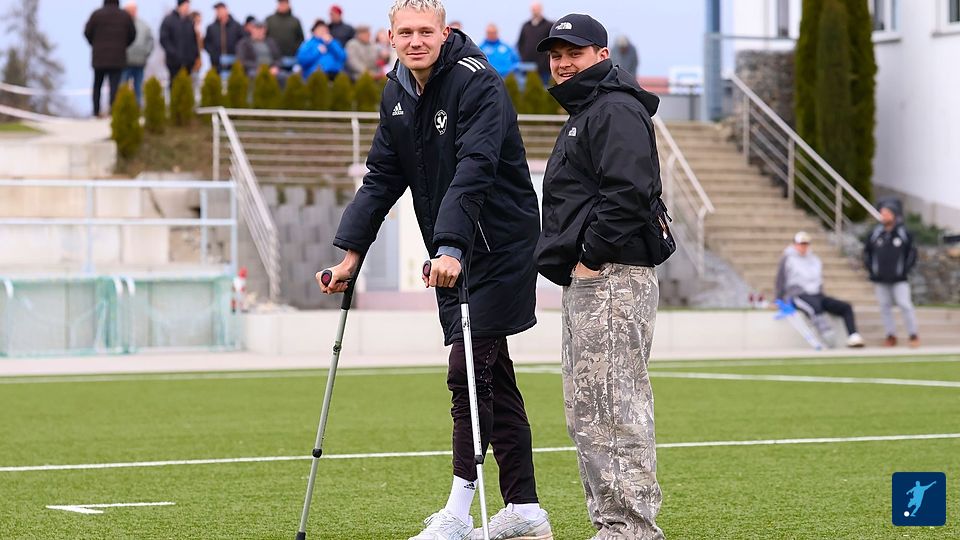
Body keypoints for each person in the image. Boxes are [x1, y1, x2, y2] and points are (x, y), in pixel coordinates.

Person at [318, 2, 552, 539]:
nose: (416, 41)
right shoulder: (396, 91)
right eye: (405, 32)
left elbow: (475, 167)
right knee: (493, 376)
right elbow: (382, 177)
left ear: (446, 33)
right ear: (390, 37)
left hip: (497, 247)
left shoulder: (478, 83)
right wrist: (351, 255)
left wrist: (449, 246)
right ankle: (525, 508)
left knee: (467, 372)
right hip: (451, 252)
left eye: (426, 31)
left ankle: (458, 512)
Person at [535, 13, 669, 540]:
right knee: (589, 409)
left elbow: (629, 192)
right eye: (556, 55)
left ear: (602, 55)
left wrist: (590, 257)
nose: (563, 63)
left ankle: (630, 528)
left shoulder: (613, 107)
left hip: (611, 276)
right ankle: (613, 524)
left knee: (613, 406)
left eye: (575, 52)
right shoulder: (591, 109)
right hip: (595, 277)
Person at [776, 231, 866, 347]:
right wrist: (779, 298)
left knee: (846, 307)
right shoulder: (788, 259)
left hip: (817, 294)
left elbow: (818, 280)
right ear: (795, 244)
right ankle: (826, 333)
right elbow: (780, 280)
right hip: (799, 293)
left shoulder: (814, 259)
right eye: (801, 244)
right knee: (815, 308)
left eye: (806, 244)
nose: (803, 247)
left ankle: (853, 336)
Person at [864, 198, 919, 347]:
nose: (884, 216)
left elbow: (912, 254)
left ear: (894, 214)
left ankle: (913, 335)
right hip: (880, 278)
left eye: (887, 213)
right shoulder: (875, 233)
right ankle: (890, 335)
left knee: (905, 305)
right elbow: (867, 253)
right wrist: (872, 270)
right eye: (882, 213)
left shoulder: (903, 233)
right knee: (884, 307)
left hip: (899, 279)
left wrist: (904, 270)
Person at [83, 0, 136, 117]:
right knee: (114, 86)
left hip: (99, 58)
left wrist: (95, 44)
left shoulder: (96, 15)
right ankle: (113, 111)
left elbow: (87, 32)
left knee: (97, 85)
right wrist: (123, 45)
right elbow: (132, 35)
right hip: (117, 58)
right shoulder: (124, 16)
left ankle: (96, 111)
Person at [159, 0, 199, 86]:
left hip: (188, 62)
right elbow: (164, 39)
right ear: (180, 6)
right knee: (175, 85)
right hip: (173, 63)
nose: (188, 8)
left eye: (188, 6)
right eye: (186, 6)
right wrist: (173, 53)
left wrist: (195, 55)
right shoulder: (168, 20)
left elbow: (194, 41)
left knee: (187, 86)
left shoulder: (189, 21)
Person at [120, 1, 152, 106]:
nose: (132, 12)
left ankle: (138, 108)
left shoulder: (144, 26)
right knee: (123, 87)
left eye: (134, 10)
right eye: (130, 10)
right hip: (125, 62)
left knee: (138, 88)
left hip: (139, 62)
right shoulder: (120, 24)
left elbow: (150, 41)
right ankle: (123, 108)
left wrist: (145, 53)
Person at [516, 2, 552, 83]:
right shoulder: (525, 26)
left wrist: (545, 59)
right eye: (533, 9)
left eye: (537, 9)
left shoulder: (548, 25)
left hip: (544, 68)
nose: (535, 11)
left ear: (541, 10)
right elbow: (520, 43)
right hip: (527, 66)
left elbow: (551, 44)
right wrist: (523, 57)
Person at [204, 2, 245, 73]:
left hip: (234, 62)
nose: (218, 12)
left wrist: (238, 54)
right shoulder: (211, 27)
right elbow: (207, 43)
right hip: (217, 63)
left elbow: (243, 41)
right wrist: (214, 55)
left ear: (226, 10)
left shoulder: (236, 26)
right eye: (217, 10)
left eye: (220, 10)